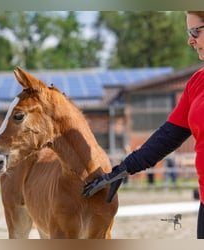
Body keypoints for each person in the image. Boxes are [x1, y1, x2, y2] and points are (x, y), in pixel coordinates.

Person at [83, 11, 204, 239]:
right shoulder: (196, 83)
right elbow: (166, 137)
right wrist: (123, 170)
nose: (190, 40)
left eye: (195, 31)